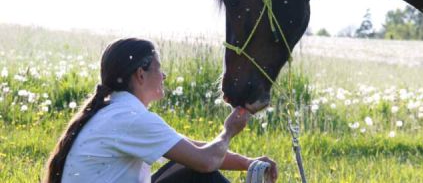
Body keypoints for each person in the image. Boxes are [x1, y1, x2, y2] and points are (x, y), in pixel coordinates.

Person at [43, 38, 278, 183]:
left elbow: (194, 149)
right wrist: (228, 131)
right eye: (159, 68)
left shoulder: (118, 110)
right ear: (141, 74)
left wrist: (248, 163)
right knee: (200, 173)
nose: (164, 75)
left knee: (189, 167)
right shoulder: (130, 118)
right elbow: (206, 161)